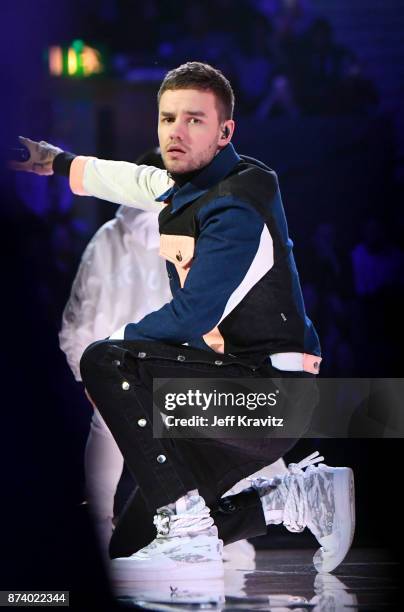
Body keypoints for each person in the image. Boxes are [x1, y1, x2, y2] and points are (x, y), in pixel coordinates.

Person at [12, 61, 355, 582]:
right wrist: (55, 162)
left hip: (268, 397)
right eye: (167, 118)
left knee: (107, 358)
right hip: (228, 394)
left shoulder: (238, 202)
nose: (175, 130)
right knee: (130, 547)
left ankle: (187, 526)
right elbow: (131, 178)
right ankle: (297, 500)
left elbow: (195, 313)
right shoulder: (187, 186)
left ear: (225, 132)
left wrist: (110, 354)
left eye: (193, 119)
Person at [59, 146, 288, 562]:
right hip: (160, 372)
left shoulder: (172, 228)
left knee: (129, 465)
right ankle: (246, 521)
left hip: (144, 372)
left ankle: (235, 523)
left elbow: (79, 319)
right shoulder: (184, 225)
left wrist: (90, 375)